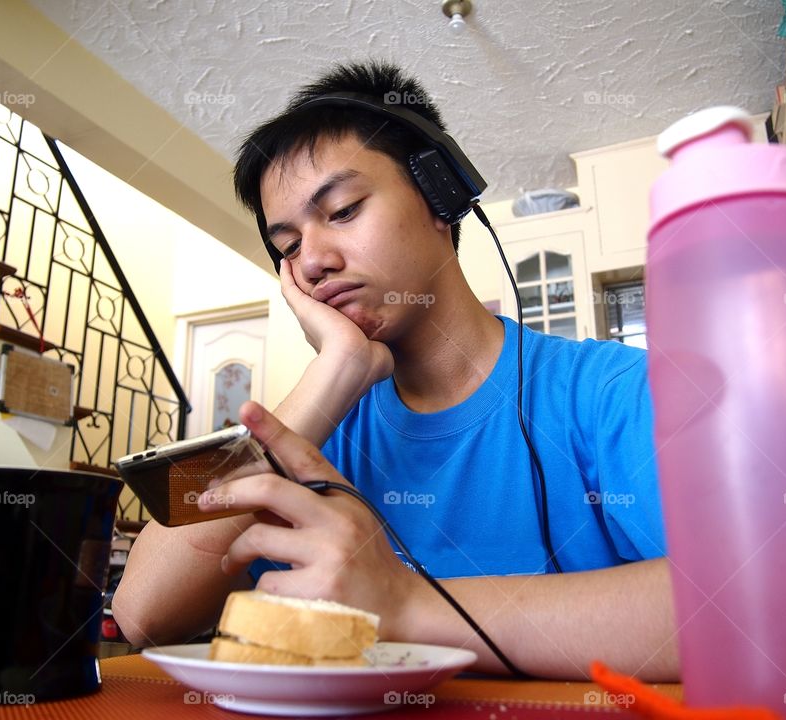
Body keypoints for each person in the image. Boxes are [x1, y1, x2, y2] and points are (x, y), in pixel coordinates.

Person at [112, 61, 678, 680]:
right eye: (288, 247)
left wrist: (406, 605)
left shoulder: (611, 394)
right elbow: (142, 614)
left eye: (344, 210)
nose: (315, 262)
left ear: (441, 198)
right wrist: (333, 377)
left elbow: (757, 601)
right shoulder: (315, 436)